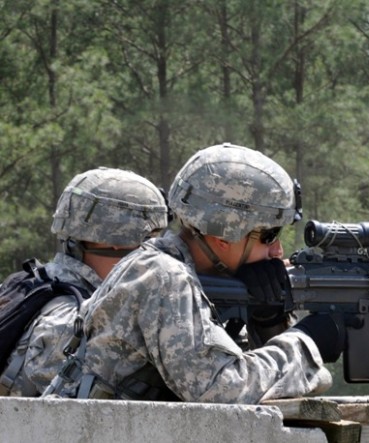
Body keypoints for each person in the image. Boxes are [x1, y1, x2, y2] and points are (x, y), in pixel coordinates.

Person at [75, 143, 346, 403]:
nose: (278, 250)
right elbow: (221, 389)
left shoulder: (176, 271)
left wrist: (268, 320)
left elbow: (236, 372)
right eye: (269, 235)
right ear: (224, 235)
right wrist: (304, 345)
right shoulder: (164, 276)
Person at [0, 167, 169, 396]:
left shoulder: (42, 281)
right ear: (117, 239)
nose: (157, 251)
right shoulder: (70, 321)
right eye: (151, 238)